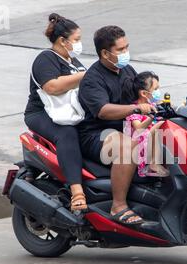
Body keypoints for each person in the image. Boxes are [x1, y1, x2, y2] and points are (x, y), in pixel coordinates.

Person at [78, 25, 156, 225]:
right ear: (105, 53)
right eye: (120, 50)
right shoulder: (92, 79)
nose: (125, 53)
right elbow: (103, 111)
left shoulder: (127, 70)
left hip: (125, 127)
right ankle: (118, 206)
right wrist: (136, 109)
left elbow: (142, 94)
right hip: (97, 134)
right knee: (128, 147)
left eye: (126, 47)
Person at [24, 13, 87, 211]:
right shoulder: (46, 59)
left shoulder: (75, 63)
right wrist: (86, 76)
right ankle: (77, 191)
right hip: (41, 114)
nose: (79, 44)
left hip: (72, 112)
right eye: (76, 40)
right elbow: (52, 87)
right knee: (66, 133)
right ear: (62, 40)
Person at [124, 71, 169, 177]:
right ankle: (153, 164)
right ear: (144, 93)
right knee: (160, 126)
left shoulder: (152, 104)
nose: (158, 92)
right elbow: (139, 128)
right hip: (138, 144)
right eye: (155, 89)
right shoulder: (134, 109)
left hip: (151, 142)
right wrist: (150, 118)